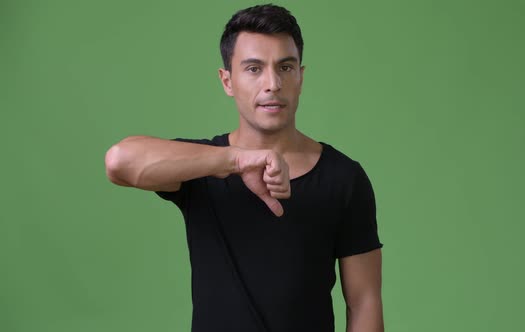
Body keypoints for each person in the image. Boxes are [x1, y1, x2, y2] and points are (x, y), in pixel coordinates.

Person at [104, 4, 383, 332]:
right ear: (227, 80)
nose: (273, 83)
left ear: (301, 77)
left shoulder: (343, 178)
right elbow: (119, 161)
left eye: (285, 67)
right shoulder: (200, 165)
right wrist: (234, 160)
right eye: (254, 69)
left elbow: (364, 301)